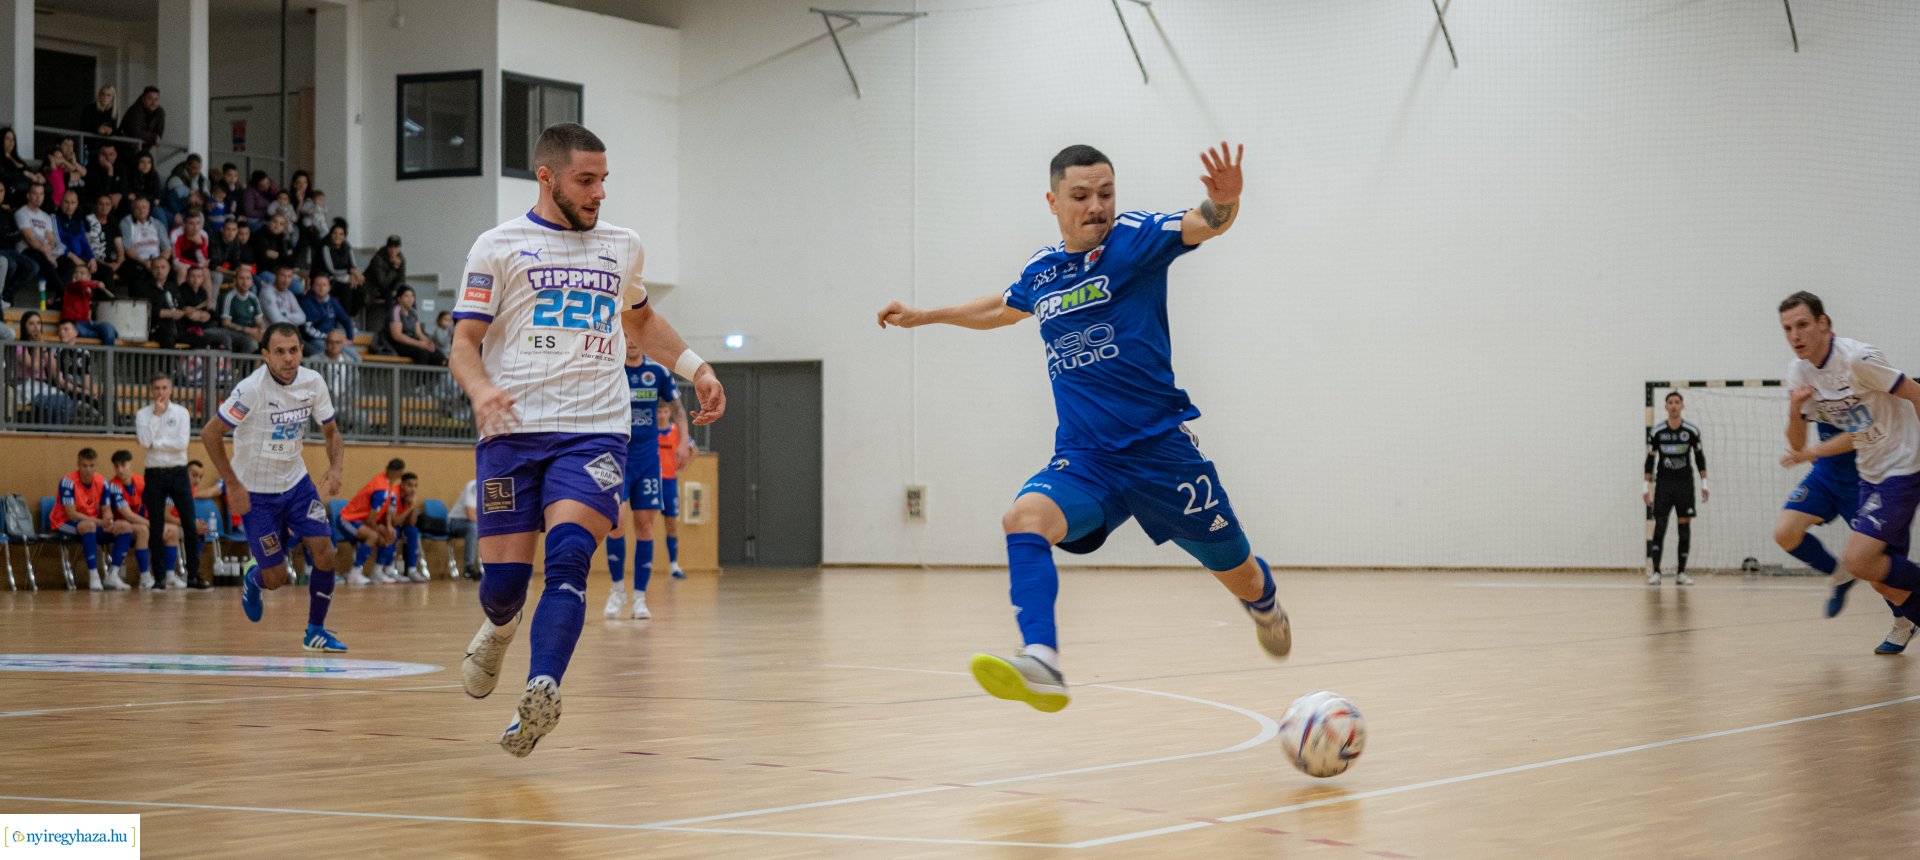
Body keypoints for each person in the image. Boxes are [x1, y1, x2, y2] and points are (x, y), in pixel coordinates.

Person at [875, 143, 1284, 713]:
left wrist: (1226, 200)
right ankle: (1041, 657)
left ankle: (1263, 602)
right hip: (1087, 460)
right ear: (1053, 201)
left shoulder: (1137, 240)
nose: (1097, 207)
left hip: (1163, 455)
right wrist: (927, 316)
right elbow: (1002, 308)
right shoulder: (1043, 272)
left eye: (1106, 194)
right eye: (1082, 196)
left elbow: (1204, 223)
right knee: (1024, 518)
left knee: (1239, 573)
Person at [450, 122, 724, 757]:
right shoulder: (498, 247)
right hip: (512, 432)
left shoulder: (622, 246)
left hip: (595, 430)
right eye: (586, 180)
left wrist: (698, 369)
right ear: (547, 177)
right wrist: (481, 390)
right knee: (505, 587)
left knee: (572, 555)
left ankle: (542, 685)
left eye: (604, 180)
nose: (599, 192)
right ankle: (498, 627)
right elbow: (463, 344)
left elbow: (643, 319)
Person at [1778, 291, 1920, 646]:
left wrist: (1812, 450)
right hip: (1863, 472)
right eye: (1787, 329)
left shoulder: (1858, 359)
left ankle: (1897, 620)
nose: (1795, 335)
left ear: (1824, 324)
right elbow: (1797, 445)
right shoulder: (1799, 372)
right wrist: (1795, 409)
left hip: (1899, 466)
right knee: (1877, 575)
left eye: (1803, 325)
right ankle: (1859, 589)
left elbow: (1911, 396)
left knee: (1864, 564)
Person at [201, 323, 346, 652]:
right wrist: (233, 484)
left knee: (325, 551)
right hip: (255, 494)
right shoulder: (252, 389)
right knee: (277, 578)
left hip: (296, 484)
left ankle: (316, 631)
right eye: (279, 351)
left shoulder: (313, 382)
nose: (288, 358)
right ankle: (254, 579)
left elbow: (332, 432)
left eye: (293, 350)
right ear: (265, 354)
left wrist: (335, 467)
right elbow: (211, 434)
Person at [603, 344, 683, 620]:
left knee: (645, 527)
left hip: (648, 460)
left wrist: (684, 441)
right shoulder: (611, 368)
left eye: (637, 335)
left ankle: (639, 597)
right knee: (616, 525)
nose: (633, 341)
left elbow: (678, 408)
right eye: (627, 336)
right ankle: (616, 591)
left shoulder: (657, 371)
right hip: (617, 457)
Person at [137, 372, 207, 589]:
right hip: (154, 473)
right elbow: (144, 441)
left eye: (164, 388)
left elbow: (181, 444)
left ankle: (193, 576)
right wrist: (156, 417)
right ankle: (159, 578)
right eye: (157, 388)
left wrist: (157, 442)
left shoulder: (182, 413)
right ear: (151, 390)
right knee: (156, 526)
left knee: (189, 522)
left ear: (171, 389)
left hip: (178, 472)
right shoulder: (143, 414)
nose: (160, 392)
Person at [1643, 393, 1707, 586]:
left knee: (1684, 527)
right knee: (1660, 526)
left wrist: (1705, 484)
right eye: (1670, 403)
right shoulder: (1657, 432)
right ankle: (1656, 572)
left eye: (1677, 402)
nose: (1673, 406)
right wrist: (1645, 488)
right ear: (1665, 407)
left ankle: (1681, 573)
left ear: (1682, 406)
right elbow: (1650, 460)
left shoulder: (1692, 431)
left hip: (1685, 486)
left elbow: (1699, 458)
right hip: (1664, 486)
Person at [50, 447, 129, 590]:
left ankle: (113, 575)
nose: (88, 470)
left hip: (91, 522)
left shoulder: (103, 482)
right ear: (78, 465)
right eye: (84, 466)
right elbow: (71, 514)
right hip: (63, 523)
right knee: (89, 526)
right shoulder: (68, 482)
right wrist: (100, 522)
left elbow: (106, 509)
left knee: (124, 527)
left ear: (96, 466)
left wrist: (108, 519)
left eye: (92, 466)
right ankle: (94, 576)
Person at [104, 450, 164, 589]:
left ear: (131, 464)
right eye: (116, 466)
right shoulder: (114, 485)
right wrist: (153, 525)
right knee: (144, 530)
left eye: (123, 465)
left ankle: (169, 574)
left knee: (169, 530)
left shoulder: (141, 481)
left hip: (135, 523)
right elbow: (127, 514)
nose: (120, 470)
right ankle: (144, 576)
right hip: (118, 524)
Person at [338, 459, 405, 585]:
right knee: (373, 536)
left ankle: (377, 571)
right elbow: (370, 519)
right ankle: (354, 574)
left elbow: (388, 510)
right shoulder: (381, 489)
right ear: (400, 473)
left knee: (390, 535)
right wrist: (380, 531)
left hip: (361, 521)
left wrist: (389, 527)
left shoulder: (387, 483)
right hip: (348, 519)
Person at [656, 405, 694, 579]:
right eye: (659, 411)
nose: (662, 415)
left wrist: (684, 465)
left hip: (669, 481)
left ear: (670, 413)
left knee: (671, 523)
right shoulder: (649, 432)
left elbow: (694, 450)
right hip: (650, 480)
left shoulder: (676, 431)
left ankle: (674, 565)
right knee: (643, 523)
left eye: (665, 411)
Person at [13, 183, 69, 299]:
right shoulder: (21, 213)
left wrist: (48, 253)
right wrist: (47, 254)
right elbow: (29, 239)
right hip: (26, 251)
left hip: (43, 252)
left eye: (41, 194)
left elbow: (51, 240)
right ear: (28, 195)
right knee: (42, 258)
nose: (38, 197)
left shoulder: (46, 217)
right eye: (35, 194)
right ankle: (64, 294)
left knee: (68, 262)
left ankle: (57, 295)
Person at [380, 285, 443, 365]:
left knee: (438, 355)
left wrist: (428, 342)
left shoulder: (413, 312)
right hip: (398, 344)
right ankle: (417, 377)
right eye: (406, 296)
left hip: (412, 341)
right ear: (399, 299)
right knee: (423, 354)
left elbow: (419, 333)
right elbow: (397, 336)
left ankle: (432, 378)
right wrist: (419, 344)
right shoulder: (396, 311)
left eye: (412, 296)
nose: (410, 299)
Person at [260, 264, 314, 352]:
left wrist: (286, 314)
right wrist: (293, 321)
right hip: (272, 337)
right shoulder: (267, 292)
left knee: (314, 353)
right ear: (276, 276)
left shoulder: (289, 294)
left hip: (289, 336)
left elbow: (302, 317)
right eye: (283, 276)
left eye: (289, 276)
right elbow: (277, 320)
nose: (286, 280)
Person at [299, 273, 354, 349]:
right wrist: (327, 337)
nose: (322, 288)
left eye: (324, 285)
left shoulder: (333, 302)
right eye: (318, 285)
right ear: (312, 287)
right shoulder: (306, 302)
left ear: (329, 287)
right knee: (332, 351)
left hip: (332, 339)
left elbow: (346, 321)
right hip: (313, 340)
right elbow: (307, 329)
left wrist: (349, 339)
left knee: (356, 358)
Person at [218, 269, 265, 353]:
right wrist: (247, 330)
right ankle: (240, 366)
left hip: (251, 330)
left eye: (248, 278)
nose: (245, 282)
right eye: (241, 278)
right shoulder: (229, 297)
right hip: (235, 331)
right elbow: (226, 323)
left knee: (268, 340)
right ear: (235, 280)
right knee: (251, 343)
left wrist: (261, 330)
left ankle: (259, 366)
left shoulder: (253, 298)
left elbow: (259, 320)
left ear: (251, 282)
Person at [362, 234, 405, 323]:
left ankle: (411, 325)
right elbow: (382, 283)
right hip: (373, 288)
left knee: (408, 293)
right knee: (389, 297)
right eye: (391, 247)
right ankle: (392, 324)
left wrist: (396, 289)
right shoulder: (378, 258)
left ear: (399, 248)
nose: (393, 250)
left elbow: (402, 279)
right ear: (387, 247)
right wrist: (394, 268)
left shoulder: (401, 259)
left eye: (396, 247)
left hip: (390, 287)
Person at [448, 478, 480, 580]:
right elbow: (470, 515)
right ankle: (468, 569)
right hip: (456, 522)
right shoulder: (474, 486)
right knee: (473, 528)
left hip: (475, 523)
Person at [118, 86, 167, 151]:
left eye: (156, 99)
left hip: (142, 150)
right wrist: (153, 137)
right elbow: (135, 133)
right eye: (150, 99)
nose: (153, 103)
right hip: (125, 148)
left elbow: (159, 135)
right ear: (143, 99)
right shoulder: (135, 110)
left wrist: (154, 138)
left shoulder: (159, 112)